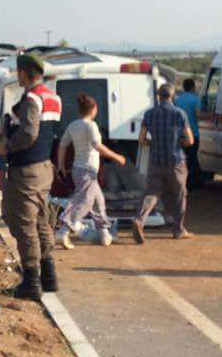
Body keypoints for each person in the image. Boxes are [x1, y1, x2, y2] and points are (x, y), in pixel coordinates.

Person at [0, 53, 62, 301]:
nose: (17, 76)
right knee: (40, 221)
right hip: (44, 168)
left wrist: (7, 146)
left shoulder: (32, 99)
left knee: (23, 222)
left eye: (18, 72)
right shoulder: (53, 98)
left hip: (26, 171)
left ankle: (32, 280)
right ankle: (48, 274)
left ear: (24, 72)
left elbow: (28, 134)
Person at [56, 93, 127, 250]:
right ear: (94, 109)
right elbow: (97, 145)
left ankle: (103, 232)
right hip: (88, 170)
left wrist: (61, 164)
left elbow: (62, 145)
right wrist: (117, 157)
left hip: (79, 169)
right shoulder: (91, 126)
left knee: (98, 201)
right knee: (84, 201)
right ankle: (65, 229)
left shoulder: (73, 125)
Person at [132, 83, 195, 244]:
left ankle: (139, 220)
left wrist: (153, 144)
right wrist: (177, 143)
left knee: (152, 193)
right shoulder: (180, 114)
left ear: (158, 96)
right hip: (176, 162)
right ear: (173, 96)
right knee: (180, 194)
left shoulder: (149, 114)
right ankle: (179, 230)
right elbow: (190, 140)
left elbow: (141, 139)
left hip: (156, 161)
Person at [174, 78, 203, 189]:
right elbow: (198, 115)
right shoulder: (196, 100)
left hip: (179, 136)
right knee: (191, 159)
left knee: (180, 160)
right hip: (193, 134)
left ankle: (180, 182)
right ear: (192, 87)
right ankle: (190, 184)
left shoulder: (177, 100)